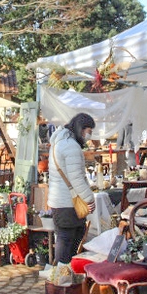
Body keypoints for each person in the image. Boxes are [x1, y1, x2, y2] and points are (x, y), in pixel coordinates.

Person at [48, 112, 97, 264]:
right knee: (68, 241)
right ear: (81, 129)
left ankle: (62, 278)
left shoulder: (59, 142)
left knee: (65, 238)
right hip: (68, 203)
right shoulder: (71, 147)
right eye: (89, 131)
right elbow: (76, 178)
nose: (89, 135)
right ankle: (63, 278)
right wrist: (89, 199)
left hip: (58, 201)